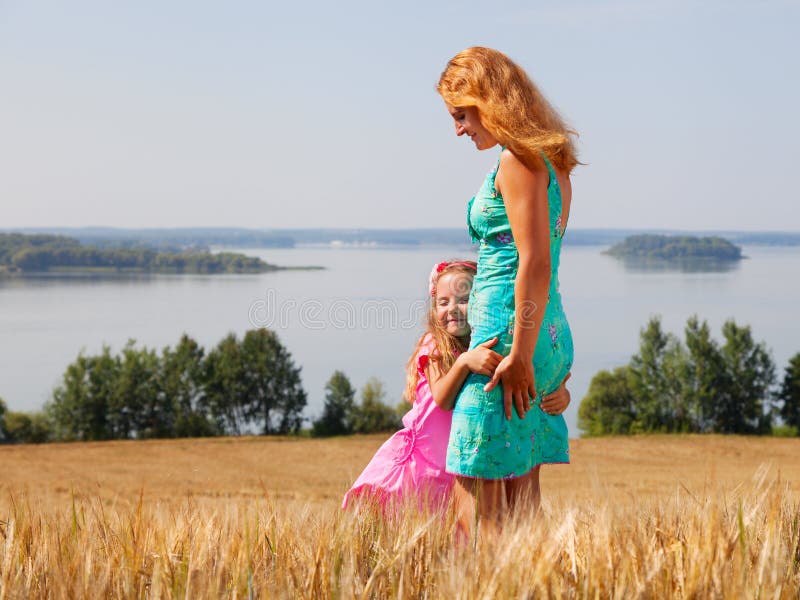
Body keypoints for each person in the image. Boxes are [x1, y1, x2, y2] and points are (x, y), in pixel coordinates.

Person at [436, 47, 579, 537]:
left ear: (488, 100)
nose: (459, 129)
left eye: (461, 115)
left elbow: (535, 263)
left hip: (505, 346)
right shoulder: (556, 164)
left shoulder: (516, 162)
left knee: (477, 515)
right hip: (545, 336)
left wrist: (518, 353)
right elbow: (543, 262)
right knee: (523, 511)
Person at [342, 260, 571, 512]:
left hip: (462, 462)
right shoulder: (433, 346)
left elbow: (520, 382)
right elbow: (442, 398)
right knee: (419, 531)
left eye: (463, 300)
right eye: (443, 302)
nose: (452, 309)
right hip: (425, 464)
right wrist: (464, 363)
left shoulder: (487, 346)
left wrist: (562, 394)